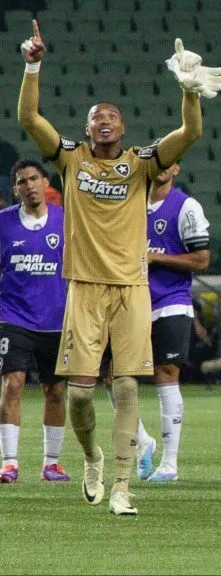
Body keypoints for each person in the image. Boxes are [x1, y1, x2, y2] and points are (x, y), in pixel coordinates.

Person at [17, 21, 218, 515]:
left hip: (132, 288)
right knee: (81, 397)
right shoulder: (70, 159)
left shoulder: (142, 161)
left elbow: (190, 132)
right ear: (87, 129)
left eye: (112, 115)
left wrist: (189, 93)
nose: (104, 120)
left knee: (127, 385)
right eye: (95, 117)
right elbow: (28, 118)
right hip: (83, 289)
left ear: (123, 128)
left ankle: (124, 487)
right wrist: (33, 64)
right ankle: (91, 457)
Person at [132, 162, 210, 483]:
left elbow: (202, 259)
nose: (161, 168)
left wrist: (155, 257)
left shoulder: (186, 206)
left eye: (168, 162)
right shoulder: (130, 204)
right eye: (156, 162)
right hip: (130, 303)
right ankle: (142, 440)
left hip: (170, 302)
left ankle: (170, 463)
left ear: (177, 168)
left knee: (166, 374)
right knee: (110, 373)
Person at [0, 159, 69, 483]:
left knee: (54, 390)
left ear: (45, 183)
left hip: (56, 318)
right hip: (13, 317)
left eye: (33, 179)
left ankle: (51, 463)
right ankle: (10, 463)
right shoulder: (3, 224)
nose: (29, 186)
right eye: (21, 181)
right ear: (15, 189)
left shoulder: (66, 222)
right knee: (12, 383)